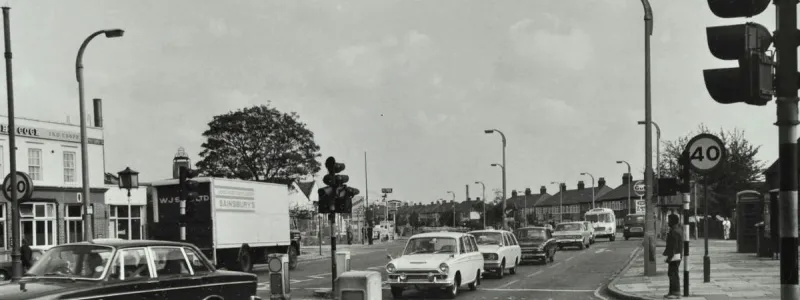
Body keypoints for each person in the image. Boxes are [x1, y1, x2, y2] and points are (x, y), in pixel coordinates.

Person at [662, 214, 683, 299]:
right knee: (672, 273)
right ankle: (671, 292)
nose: (668, 222)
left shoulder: (674, 232)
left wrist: (669, 257)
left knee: (673, 273)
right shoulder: (677, 230)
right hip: (677, 255)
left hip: (675, 256)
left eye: (669, 220)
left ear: (673, 221)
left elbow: (673, 246)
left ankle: (676, 293)